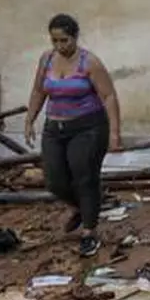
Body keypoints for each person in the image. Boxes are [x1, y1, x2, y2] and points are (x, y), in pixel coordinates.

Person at [24, 14, 122, 257]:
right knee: (55, 181)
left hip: (88, 128)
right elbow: (39, 90)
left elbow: (109, 96)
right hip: (54, 128)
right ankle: (83, 208)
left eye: (64, 41)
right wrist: (30, 119)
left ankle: (89, 231)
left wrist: (114, 133)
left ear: (75, 37)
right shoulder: (47, 59)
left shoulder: (90, 63)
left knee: (84, 177)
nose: (60, 46)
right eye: (55, 41)